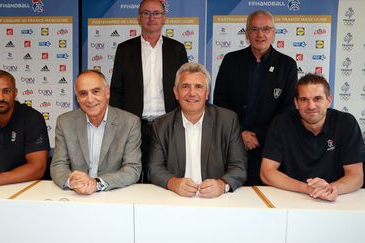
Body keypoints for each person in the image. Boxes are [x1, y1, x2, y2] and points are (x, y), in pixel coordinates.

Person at [213, 10, 298, 185]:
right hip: (233, 143)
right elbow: (221, 101)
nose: (260, 34)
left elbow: (287, 109)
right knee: (230, 194)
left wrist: (258, 135)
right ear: (246, 33)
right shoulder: (231, 60)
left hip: (269, 148)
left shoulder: (287, 65)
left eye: (266, 29)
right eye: (254, 29)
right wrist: (241, 132)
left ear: (274, 33)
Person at [110, 0, 188, 182]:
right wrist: (119, 125)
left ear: (163, 19)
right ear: (139, 18)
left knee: (166, 177)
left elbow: (184, 89)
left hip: (167, 124)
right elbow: (116, 90)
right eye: (146, 13)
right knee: (132, 177)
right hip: (134, 126)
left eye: (156, 13)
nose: (151, 18)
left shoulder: (177, 49)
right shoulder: (125, 49)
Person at [260, 73, 365, 201]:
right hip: (291, 197)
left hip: (336, 199)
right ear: (296, 102)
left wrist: (330, 188)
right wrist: (308, 189)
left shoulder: (346, 123)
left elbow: (356, 176)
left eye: (317, 99)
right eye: (304, 99)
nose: (311, 106)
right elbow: (266, 172)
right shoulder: (281, 123)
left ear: (328, 101)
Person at [148, 62, 247, 198]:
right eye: (185, 86)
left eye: (198, 87)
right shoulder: (161, 125)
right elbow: (154, 168)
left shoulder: (228, 121)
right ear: (176, 93)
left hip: (217, 200)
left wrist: (222, 184)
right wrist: (173, 183)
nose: (192, 93)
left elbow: (239, 167)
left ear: (207, 93)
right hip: (175, 198)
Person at [50, 70, 141, 195]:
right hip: (76, 196)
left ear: (107, 92)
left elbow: (132, 169)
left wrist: (96, 183)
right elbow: (58, 165)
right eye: (83, 94)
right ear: (77, 98)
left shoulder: (130, 123)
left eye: (96, 91)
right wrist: (73, 181)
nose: (90, 99)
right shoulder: (64, 122)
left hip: (113, 194)